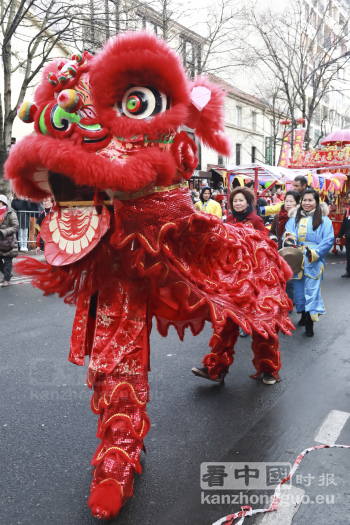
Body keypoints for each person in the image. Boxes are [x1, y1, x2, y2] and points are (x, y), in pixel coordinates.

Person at [284, 189, 334, 336]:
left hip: (314, 259)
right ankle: (304, 315)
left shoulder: (324, 219)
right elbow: (288, 232)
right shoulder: (294, 218)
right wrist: (290, 239)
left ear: (316, 202)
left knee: (311, 290)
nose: (306, 203)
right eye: (304, 200)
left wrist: (315, 252)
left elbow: (328, 239)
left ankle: (310, 324)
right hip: (297, 258)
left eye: (310, 200)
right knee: (299, 290)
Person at [269, 190, 300, 308]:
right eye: (286, 200)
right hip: (279, 250)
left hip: (293, 252)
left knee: (290, 279)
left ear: (296, 203)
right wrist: (274, 241)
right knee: (279, 278)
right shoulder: (278, 216)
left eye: (291, 201)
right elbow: (272, 231)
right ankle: (282, 301)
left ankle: (290, 303)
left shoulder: (298, 217)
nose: (288, 203)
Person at [0, 194, 19, 286]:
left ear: (1, 202)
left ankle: (6, 280)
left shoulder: (11, 212)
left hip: (8, 240)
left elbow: (16, 226)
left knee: (7, 260)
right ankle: (7, 274)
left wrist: (3, 232)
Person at [336, 189, 350, 277]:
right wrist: (339, 236)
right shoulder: (348, 209)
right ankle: (348, 271)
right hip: (348, 236)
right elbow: (344, 223)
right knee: (348, 254)